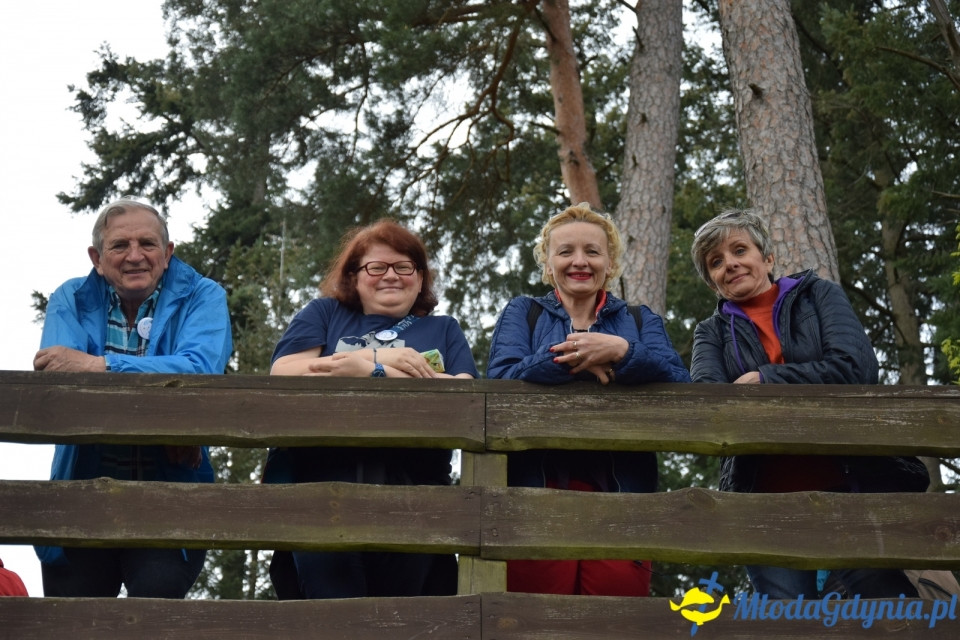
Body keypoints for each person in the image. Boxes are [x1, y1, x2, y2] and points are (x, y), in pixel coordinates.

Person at [689, 208, 928, 599]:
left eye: (739, 250)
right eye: (716, 262)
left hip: (852, 486)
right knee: (785, 619)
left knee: (885, 608)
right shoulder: (711, 332)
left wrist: (766, 379)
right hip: (764, 500)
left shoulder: (819, 295)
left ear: (767, 258)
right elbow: (710, 405)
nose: (730, 264)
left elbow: (854, 367)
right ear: (713, 282)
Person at [267, 218, 479, 599]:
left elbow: (463, 392)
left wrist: (370, 370)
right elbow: (284, 372)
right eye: (376, 267)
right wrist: (376, 354)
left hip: (416, 488)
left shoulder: (444, 329)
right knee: (331, 614)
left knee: (404, 617)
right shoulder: (324, 313)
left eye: (404, 267)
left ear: (420, 277)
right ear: (354, 276)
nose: (391, 276)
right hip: (322, 484)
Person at [33, 196, 233, 598]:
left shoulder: (202, 296)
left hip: (168, 494)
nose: (135, 256)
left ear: (168, 251)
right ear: (97, 257)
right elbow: (61, 384)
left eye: (148, 244)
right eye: (120, 246)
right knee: (74, 626)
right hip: (81, 492)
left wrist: (100, 365)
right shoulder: (70, 298)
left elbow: (199, 370)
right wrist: (169, 413)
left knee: (155, 617)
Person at [486, 203, 690, 596]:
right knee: (537, 620)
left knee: (614, 622)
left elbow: (679, 382)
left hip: (624, 497)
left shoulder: (639, 320)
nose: (579, 261)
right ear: (548, 262)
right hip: (534, 496)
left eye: (592, 251)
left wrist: (621, 351)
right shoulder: (523, 313)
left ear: (609, 261)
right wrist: (579, 355)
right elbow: (502, 380)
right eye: (566, 252)